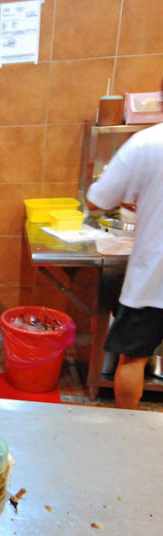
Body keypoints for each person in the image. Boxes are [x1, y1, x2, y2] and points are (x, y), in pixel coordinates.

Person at [87, 109, 163, 409]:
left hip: (155, 276)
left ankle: (127, 430)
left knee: (133, 359)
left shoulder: (147, 142)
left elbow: (96, 200)